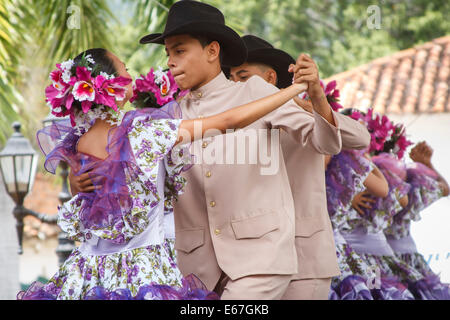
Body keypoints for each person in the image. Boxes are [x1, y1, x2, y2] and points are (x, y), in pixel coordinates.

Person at [17, 47, 307, 300]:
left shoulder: (78, 142)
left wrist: (74, 182)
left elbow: (87, 191)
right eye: (124, 70)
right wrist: (292, 90)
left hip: (88, 274)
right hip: (143, 274)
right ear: (109, 86)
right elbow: (229, 119)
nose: (130, 76)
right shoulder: (144, 134)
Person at [228, 34, 370, 299]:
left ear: (270, 78)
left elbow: (361, 137)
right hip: (252, 263)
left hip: (305, 257)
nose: (236, 84)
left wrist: (308, 102)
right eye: (231, 77)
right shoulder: (234, 123)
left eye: (243, 76)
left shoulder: (301, 110)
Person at [384, 141, 450, 299]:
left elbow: (444, 190)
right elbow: (444, 188)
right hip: (405, 262)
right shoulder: (408, 187)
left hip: (379, 262)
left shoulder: (346, 184)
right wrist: (426, 166)